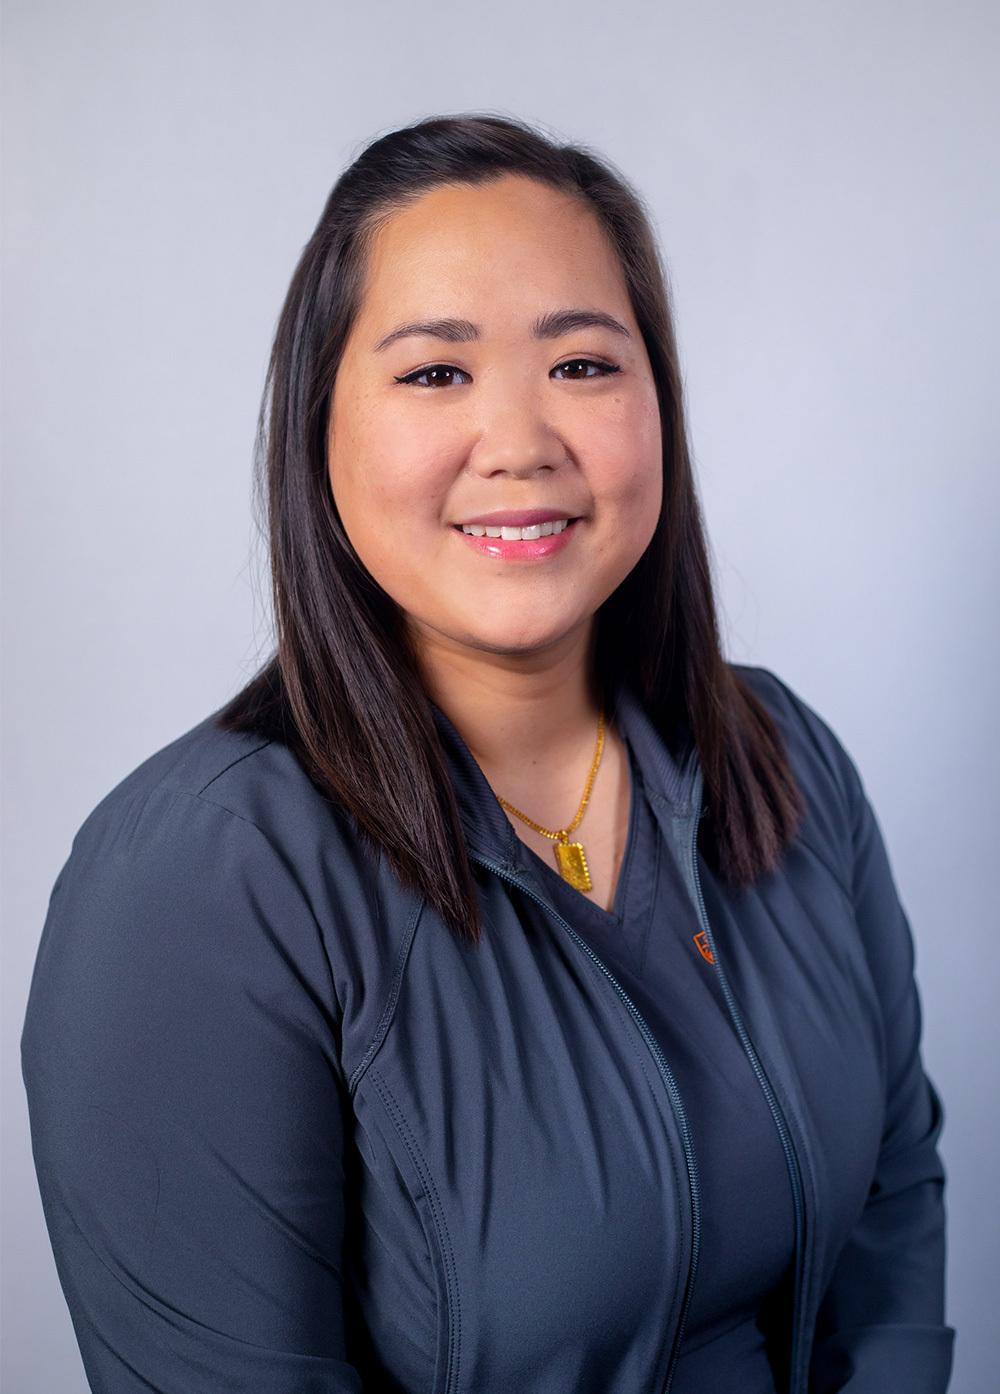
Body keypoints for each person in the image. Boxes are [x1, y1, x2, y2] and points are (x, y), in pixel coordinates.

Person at [22, 114, 953, 1394]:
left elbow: (893, 1216)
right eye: (434, 374)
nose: (520, 441)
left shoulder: (784, 756)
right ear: (318, 428)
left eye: (581, 363)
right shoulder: (197, 884)